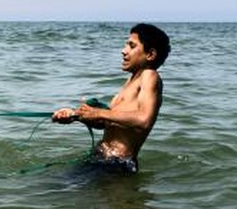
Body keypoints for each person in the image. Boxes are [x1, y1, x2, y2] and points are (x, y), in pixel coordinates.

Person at [52, 23, 170, 173]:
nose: (123, 51)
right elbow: (110, 124)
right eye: (126, 45)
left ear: (150, 54)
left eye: (132, 46)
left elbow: (143, 120)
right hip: (101, 156)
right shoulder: (130, 82)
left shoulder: (149, 75)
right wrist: (76, 116)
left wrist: (98, 113)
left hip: (118, 163)